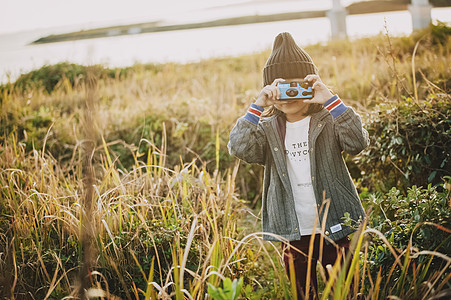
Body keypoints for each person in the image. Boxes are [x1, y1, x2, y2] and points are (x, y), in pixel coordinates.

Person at [228, 32, 369, 299]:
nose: (288, 95)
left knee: (346, 293)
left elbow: (357, 142)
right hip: (291, 230)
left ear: (310, 84)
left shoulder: (328, 121)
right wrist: (258, 106)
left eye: (296, 86)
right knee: (304, 294)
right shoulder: (267, 129)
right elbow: (239, 147)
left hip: (334, 224)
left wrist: (330, 99)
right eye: (280, 87)